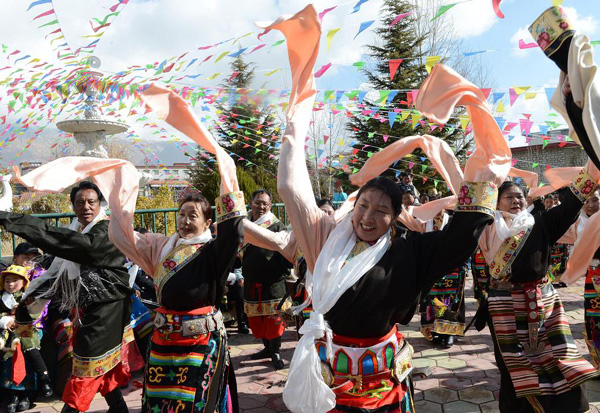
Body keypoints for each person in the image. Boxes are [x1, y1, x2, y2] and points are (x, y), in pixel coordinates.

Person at [263, 8, 508, 410]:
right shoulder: (324, 236)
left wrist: (482, 169)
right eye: (363, 205)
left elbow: (461, 237)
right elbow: (290, 187)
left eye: (380, 210)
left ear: (396, 218)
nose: (367, 216)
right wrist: (295, 124)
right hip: (330, 374)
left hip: (383, 379)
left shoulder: (408, 251)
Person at [0, 181, 132, 412]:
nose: (86, 207)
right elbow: (55, 276)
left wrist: (11, 220)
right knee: (100, 365)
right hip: (86, 311)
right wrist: (27, 306)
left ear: (100, 204)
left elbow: (73, 245)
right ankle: (119, 407)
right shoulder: (75, 231)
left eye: (92, 202)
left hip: (109, 309)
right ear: (72, 206)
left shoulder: (108, 231)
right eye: (80, 202)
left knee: (87, 367)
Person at [477, 175, 599, 412]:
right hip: (504, 303)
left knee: (560, 352)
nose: (516, 200)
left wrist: (591, 173)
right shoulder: (487, 226)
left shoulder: (541, 221)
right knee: (513, 361)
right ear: (497, 202)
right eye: (509, 197)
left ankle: (566, 406)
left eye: (520, 196)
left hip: (544, 299)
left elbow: (572, 205)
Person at [242, 189, 292, 370]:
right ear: (251, 203)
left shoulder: (278, 226)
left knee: (274, 320)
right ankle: (266, 348)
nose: (261, 207)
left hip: (273, 282)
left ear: (270, 206)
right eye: (257, 202)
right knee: (257, 319)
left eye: (265, 203)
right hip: (251, 281)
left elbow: (288, 252)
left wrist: (281, 273)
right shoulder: (244, 224)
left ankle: (275, 350)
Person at [0, 265, 52, 413]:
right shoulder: (1, 298)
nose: (10, 284)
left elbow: (37, 314)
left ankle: (29, 392)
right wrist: (5, 320)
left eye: (15, 280)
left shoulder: (28, 298)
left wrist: (23, 315)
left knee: (29, 355)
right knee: (9, 361)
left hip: (27, 331)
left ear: (24, 282)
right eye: (7, 281)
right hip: (8, 332)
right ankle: (13, 395)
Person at [418, 210, 468, 348]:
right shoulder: (423, 224)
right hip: (430, 269)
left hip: (452, 268)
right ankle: (434, 330)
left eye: (440, 208)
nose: (436, 212)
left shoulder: (453, 221)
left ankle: (449, 332)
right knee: (431, 301)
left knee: (449, 301)